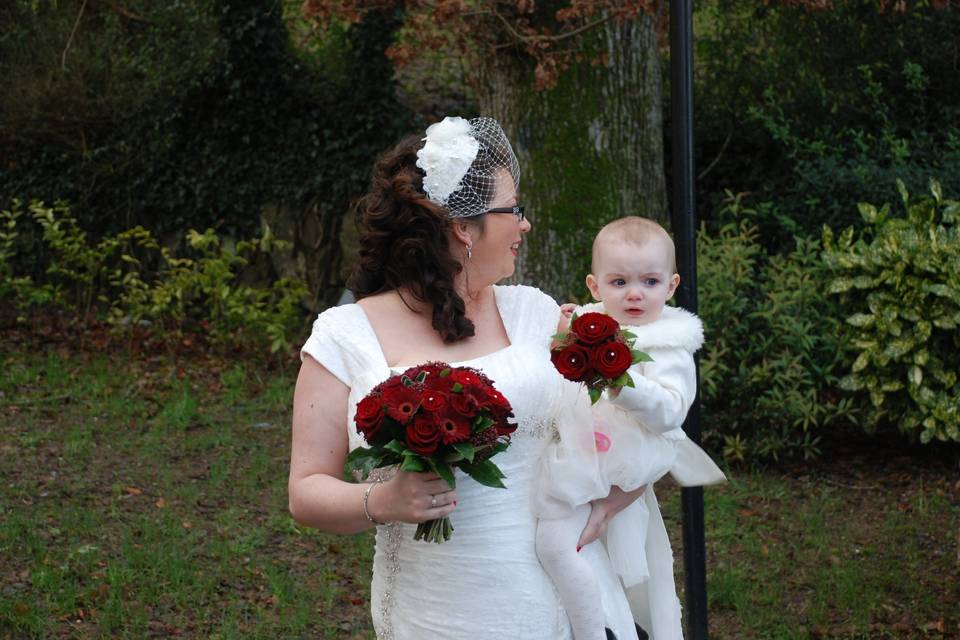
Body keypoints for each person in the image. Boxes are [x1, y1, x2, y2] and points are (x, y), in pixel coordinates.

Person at [288, 116, 643, 640]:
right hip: (436, 614)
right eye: (513, 209)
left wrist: (614, 498)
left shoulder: (536, 315)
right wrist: (382, 502)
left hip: (560, 602)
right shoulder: (345, 336)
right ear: (463, 227)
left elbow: (621, 426)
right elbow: (305, 491)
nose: (525, 224)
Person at [534, 216, 726, 640]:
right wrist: (564, 338)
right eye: (619, 282)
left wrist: (623, 381)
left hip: (621, 469)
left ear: (672, 286)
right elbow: (561, 378)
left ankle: (597, 629)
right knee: (563, 548)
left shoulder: (671, 344)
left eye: (650, 282)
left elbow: (671, 412)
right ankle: (581, 621)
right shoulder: (590, 325)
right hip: (578, 457)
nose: (635, 293)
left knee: (586, 555)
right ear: (595, 286)